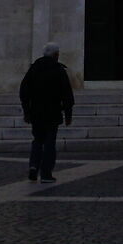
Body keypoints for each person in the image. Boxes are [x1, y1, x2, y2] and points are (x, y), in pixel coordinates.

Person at [19, 42, 74, 182]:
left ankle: (33, 166)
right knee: (49, 143)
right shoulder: (58, 70)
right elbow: (67, 94)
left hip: (36, 112)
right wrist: (68, 114)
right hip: (52, 112)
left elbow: (23, 91)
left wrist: (26, 111)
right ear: (56, 55)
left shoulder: (34, 69)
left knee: (37, 140)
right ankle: (46, 174)